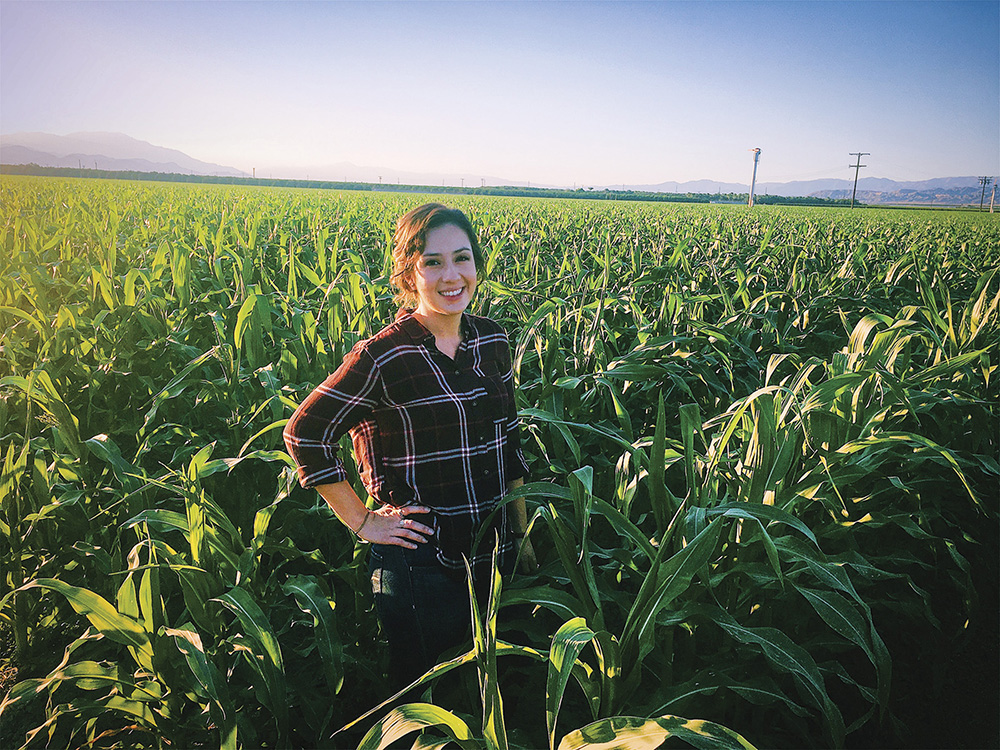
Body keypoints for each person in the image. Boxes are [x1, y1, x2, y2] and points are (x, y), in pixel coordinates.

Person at [283, 203, 535, 688]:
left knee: (492, 689)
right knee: (426, 696)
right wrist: (363, 521)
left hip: (496, 552)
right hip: (423, 565)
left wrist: (521, 534)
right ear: (408, 272)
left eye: (462, 258)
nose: (451, 275)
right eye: (432, 262)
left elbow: (508, 441)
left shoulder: (492, 341)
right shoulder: (384, 355)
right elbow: (304, 433)